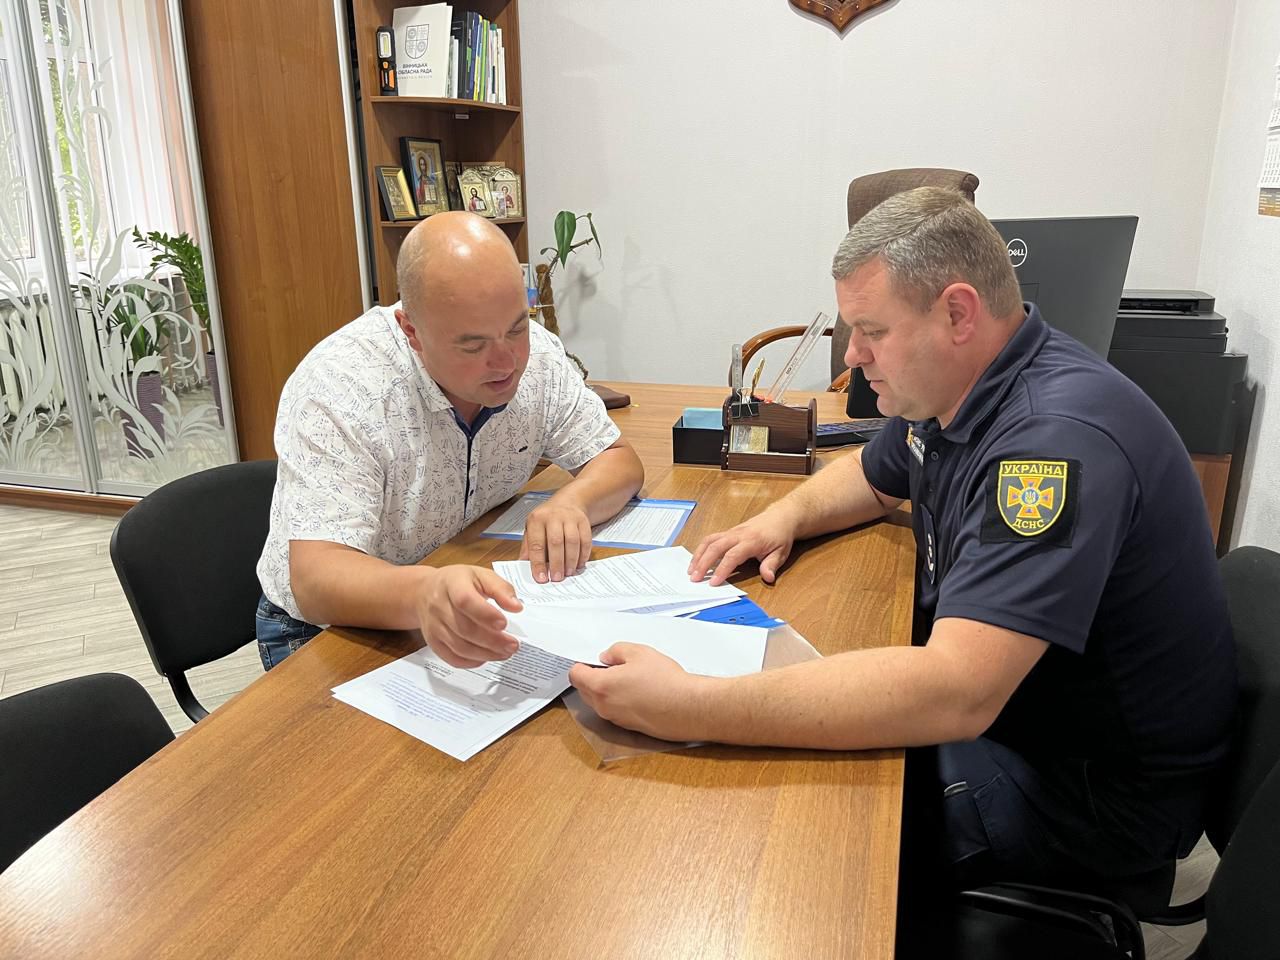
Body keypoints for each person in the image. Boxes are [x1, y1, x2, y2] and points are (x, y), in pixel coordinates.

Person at [570, 187, 1237, 905]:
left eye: (872, 331)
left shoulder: (1051, 446)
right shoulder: (956, 387)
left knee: (803, 841)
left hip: (1091, 794)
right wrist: (783, 518)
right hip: (1027, 720)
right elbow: (874, 472)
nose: (852, 355)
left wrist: (690, 705)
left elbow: (957, 691)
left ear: (957, 313)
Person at [256, 212, 644, 671]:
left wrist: (573, 502)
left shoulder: (537, 356)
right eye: (473, 345)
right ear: (411, 331)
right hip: (330, 629)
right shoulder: (342, 387)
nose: (507, 362)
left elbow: (617, 459)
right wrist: (424, 591)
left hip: (461, 574)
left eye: (516, 328)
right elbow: (315, 577)